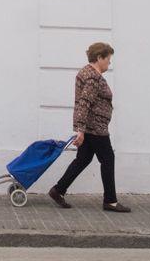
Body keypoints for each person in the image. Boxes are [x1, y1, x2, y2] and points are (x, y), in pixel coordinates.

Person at [48, 42, 131, 212]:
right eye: (108, 59)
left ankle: (58, 190)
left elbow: (83, 102)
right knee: (108, 159)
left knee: (83, 159)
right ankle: (110, 201)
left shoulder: (86, 72)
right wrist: (80, 130)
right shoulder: (93, 78)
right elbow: (84, 103)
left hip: (90, 127)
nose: (109, 62)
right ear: (99, 58)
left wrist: (81, 128)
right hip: (96, 128)